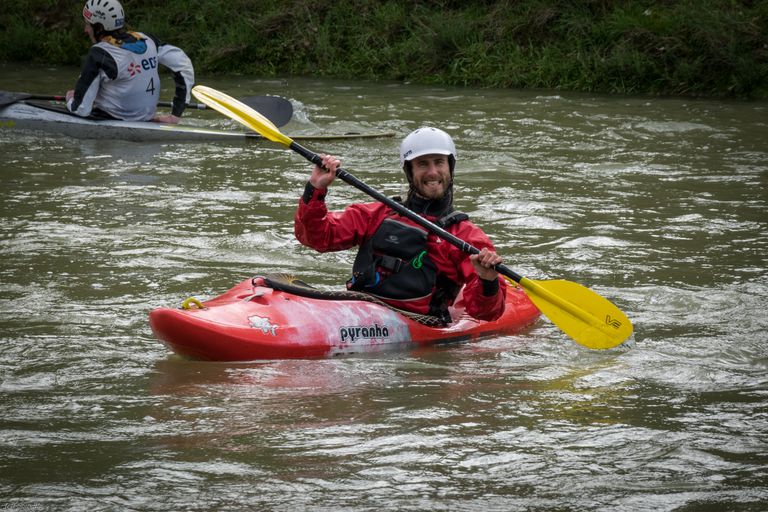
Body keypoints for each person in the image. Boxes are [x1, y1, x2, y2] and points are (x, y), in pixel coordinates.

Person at [294, 127, 507, 324]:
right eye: (423, 164)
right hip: (358, 313)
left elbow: (486, 313)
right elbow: (317, 238)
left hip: (419, 326)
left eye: (439, 162)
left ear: (450, 167)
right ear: (409, 171)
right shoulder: (376, 214)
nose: (432, 172)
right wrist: (315, 189)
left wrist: (488, 280)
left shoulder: (465, 236)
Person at [66, 0, 194, 124]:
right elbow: (183, 64)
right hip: (147, 120)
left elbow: (81, 110)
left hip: (111, 122)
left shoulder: (99, 53)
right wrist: (176, 114)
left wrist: (71, 99)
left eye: (88, 24)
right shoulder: (146, 39)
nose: (85, 30)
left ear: (99, 28)